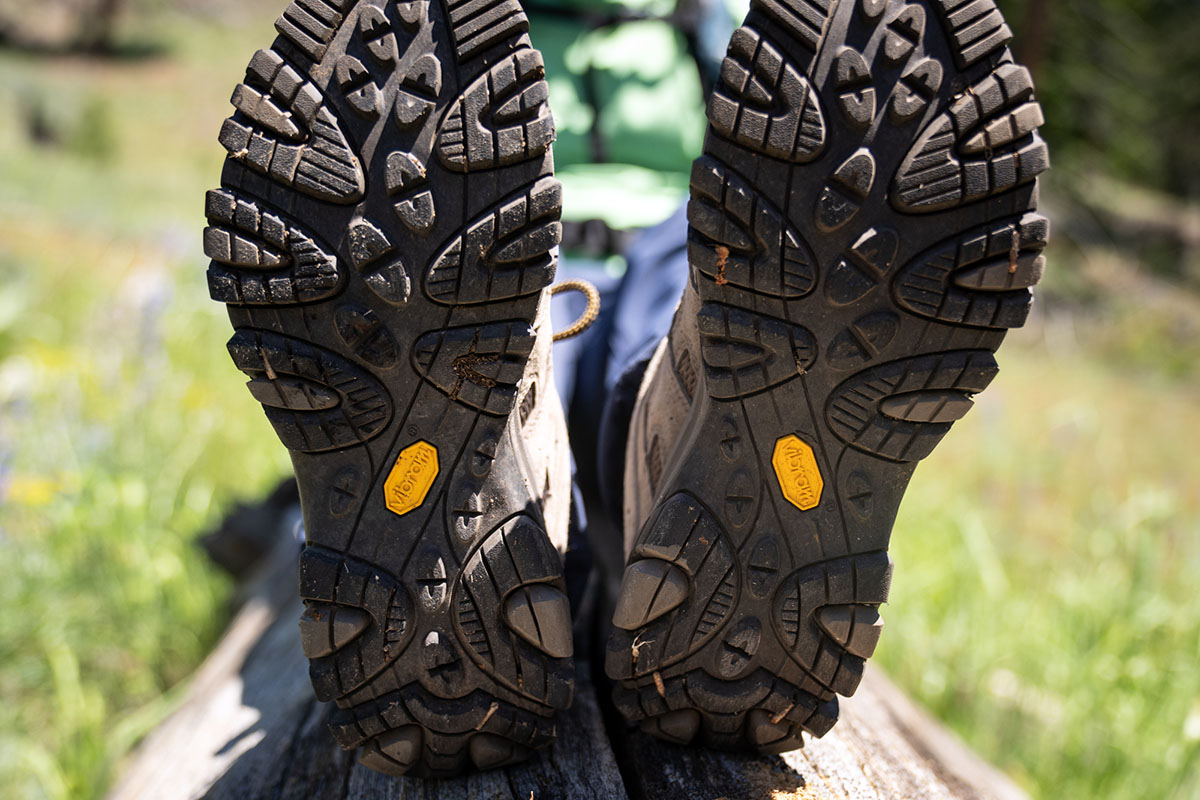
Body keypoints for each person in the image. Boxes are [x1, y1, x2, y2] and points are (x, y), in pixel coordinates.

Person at [202, 0, 1049, 776]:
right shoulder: (466, 34)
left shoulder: (698, 27)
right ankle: (592, 486)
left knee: (682, 320)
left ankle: (613, 462)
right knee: (501, 356)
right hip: (516, 281)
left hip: (680, 265)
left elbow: (780, 149)